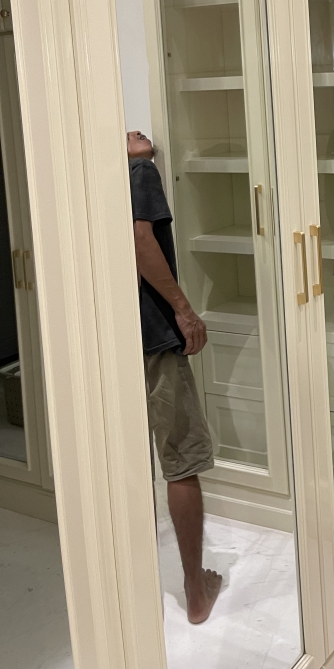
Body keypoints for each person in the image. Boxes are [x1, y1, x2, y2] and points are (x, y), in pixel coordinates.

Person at [126, 130, 222, 624]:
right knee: (181, 459)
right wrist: (184, 311)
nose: (137, 132)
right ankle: (195, 589)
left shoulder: (88, 181)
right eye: (127, 131)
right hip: (155, 339)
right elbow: (142, 241)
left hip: (116, 341)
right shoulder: (140, 171)